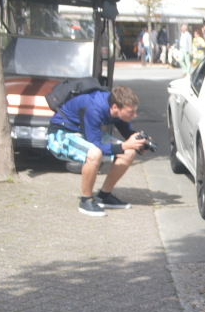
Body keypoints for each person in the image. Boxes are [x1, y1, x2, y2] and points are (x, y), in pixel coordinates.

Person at [47, 86, 148, 217]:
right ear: (115, 108)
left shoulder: (114, 105)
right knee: (94, 154)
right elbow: (96, 145)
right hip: (61, 134)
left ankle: (104, 196)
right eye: (130, 112)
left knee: (129, 152)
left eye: (135, 111)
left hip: (84, 132)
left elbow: (126, 132)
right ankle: (86, 200)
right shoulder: (94, 109)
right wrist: (125, 145)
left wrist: (140, 142)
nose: (134, 115)